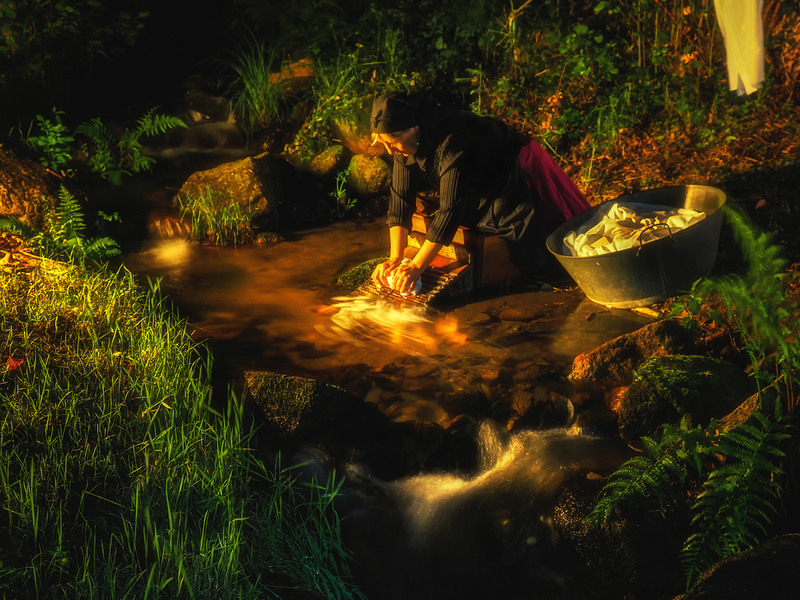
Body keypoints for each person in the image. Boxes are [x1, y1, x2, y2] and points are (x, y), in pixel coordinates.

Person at [369, 90, 591, 295]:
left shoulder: (451, 139)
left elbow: (450, 209)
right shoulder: (402, 141)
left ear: (412, 129)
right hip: (474, 176)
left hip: (507, 165)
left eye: (393, 143)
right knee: (470, 219)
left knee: (522, 236)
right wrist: (395, 259)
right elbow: (400, 199)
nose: (390, 151)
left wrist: (417, 267)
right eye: (385, 144)